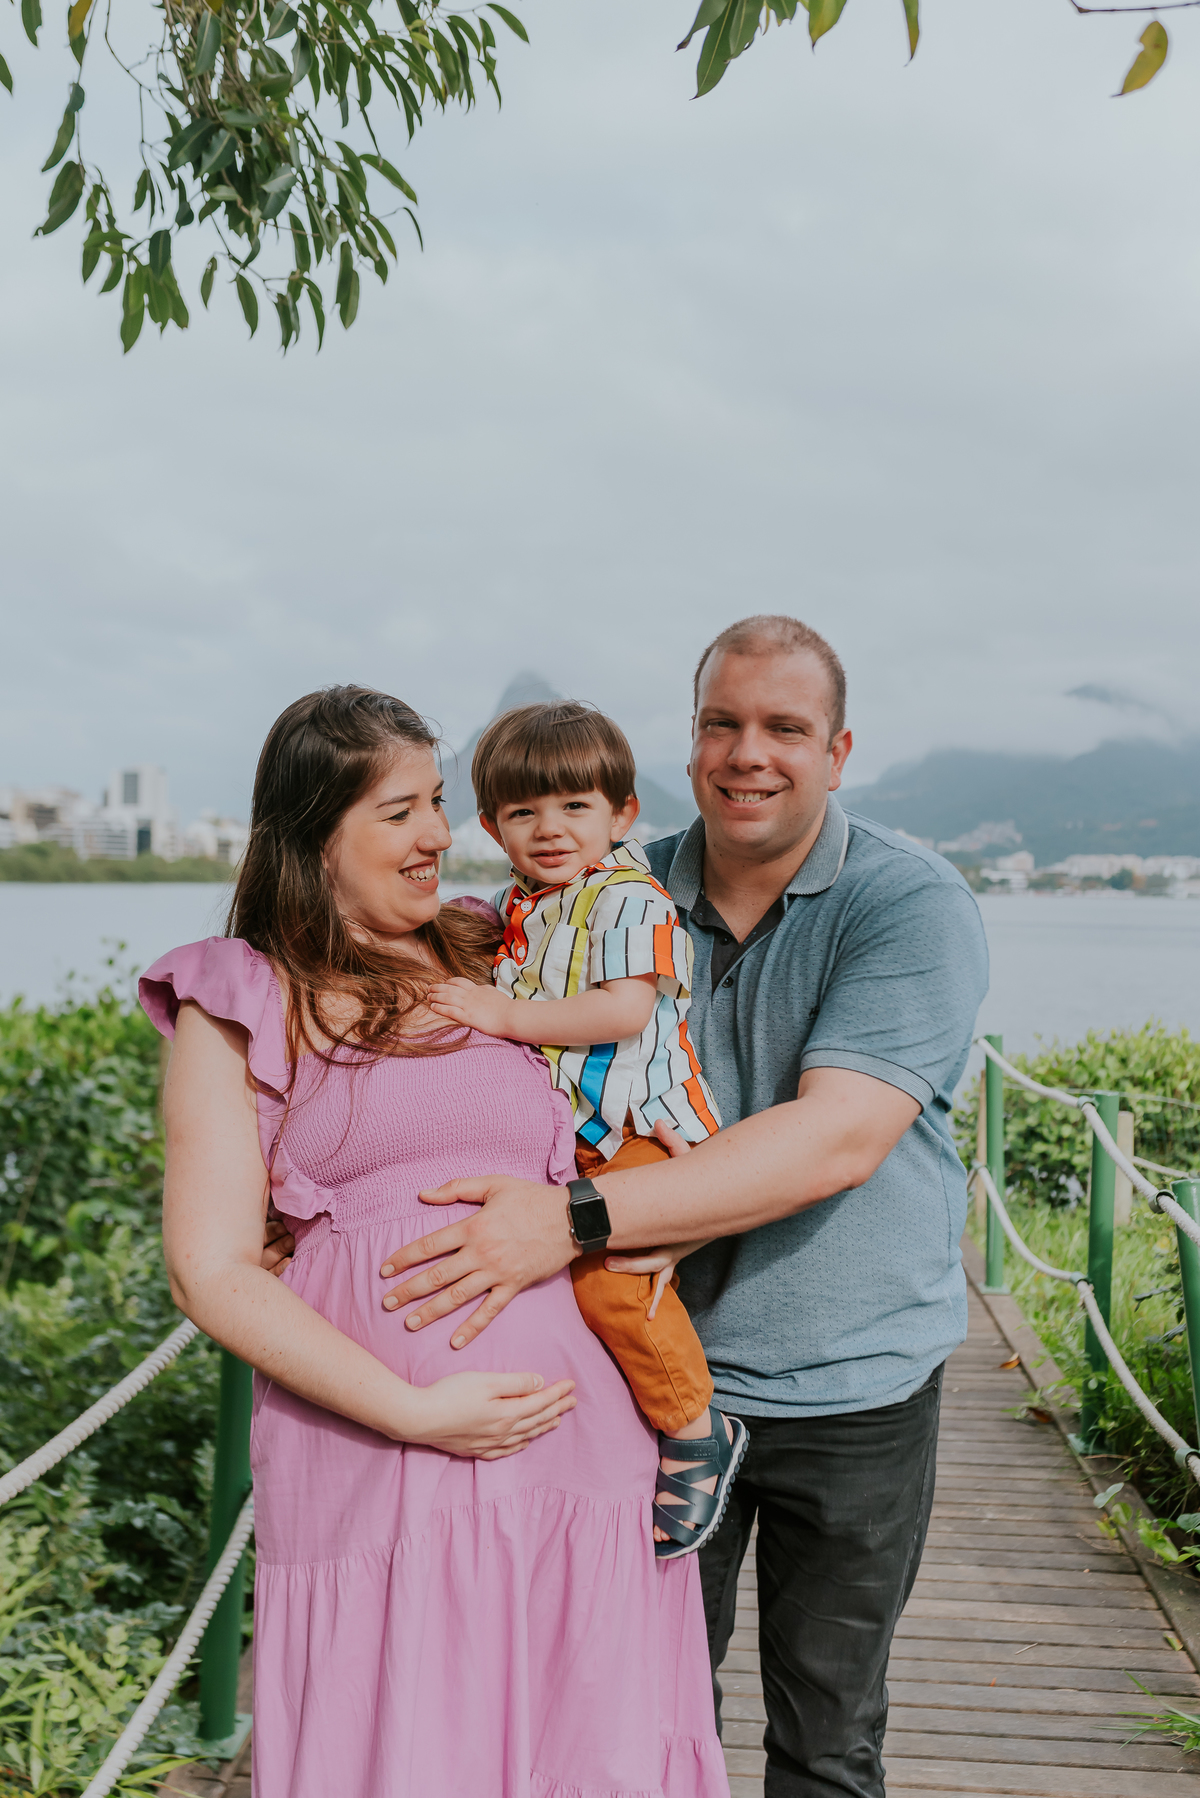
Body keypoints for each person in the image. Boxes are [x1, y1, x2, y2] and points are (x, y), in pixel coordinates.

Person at [379, 618, 990, 1798]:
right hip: (640, 1379)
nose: (748, 752)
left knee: (828, 1736)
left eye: (784, 728)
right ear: (691, 737)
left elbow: (839, 1137)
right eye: (722, 722)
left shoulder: (907, 901)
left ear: (839, 749)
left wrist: (573, 1220)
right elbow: (424, 953)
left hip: (853, 1382)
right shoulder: (601, 876)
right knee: (645, 1720)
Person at [141, 685, 729, 1798]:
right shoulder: (242, 994)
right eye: (401, 811)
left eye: (437, 804)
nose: (436, 835)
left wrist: (648, 1223)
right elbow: (207, 1266)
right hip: (381, 1455)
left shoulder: (494, 945)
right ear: (315, 833)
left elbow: (640, 1070)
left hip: (580, 1455)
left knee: (589, 1755)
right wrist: (413, 1408)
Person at [423, 699, 746, 1558]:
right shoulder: (522, 905)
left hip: (643, 1127)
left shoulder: (630, 900)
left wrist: (496, 1014)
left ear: (621, 814)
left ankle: (695, 1428)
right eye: (524, 812)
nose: (551, 828)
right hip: (573, 1137)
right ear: (491, 826)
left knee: (611, 1286)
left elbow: (620, 1007)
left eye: (575, 807)